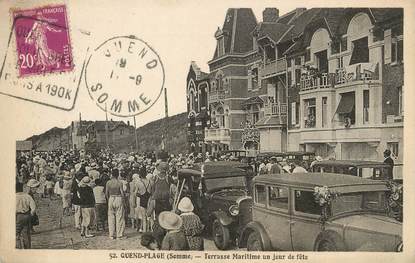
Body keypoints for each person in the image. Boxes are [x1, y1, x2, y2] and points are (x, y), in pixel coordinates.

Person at [105, 169, 126, 239]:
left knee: (110, 217)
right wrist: (124, 202)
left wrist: (109, 200)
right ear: (118, 174)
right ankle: (119, 235)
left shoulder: (108, 182)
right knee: (119, 217)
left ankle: (111, 234)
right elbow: (122, 193)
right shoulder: (119, 182)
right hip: (118, 198)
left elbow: (106, 193)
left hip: (111, 198)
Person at [16, 182, 36, 249]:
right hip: (26, 216)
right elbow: (33, 207)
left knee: (16, 234)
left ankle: (18, 248)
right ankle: (27, 249)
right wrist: (31, 214)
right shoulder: (27, 196)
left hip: (17, 216)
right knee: (26, 234)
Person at [136, 168, 152, 232]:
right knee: (150, 217)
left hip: (142, 199)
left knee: (144, 217)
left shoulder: (138, 182)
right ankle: (150, 230)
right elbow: (152, 192)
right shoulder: (150, 181)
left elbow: (136, 193)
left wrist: (140, 194)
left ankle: (145, 231)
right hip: (149, 199)